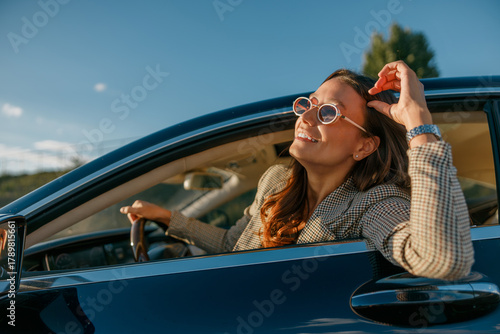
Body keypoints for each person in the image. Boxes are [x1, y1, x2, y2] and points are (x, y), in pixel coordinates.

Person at [120, 61, 474, 280]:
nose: (304, 118)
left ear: (364, 145)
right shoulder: (275, 181)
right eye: (309, 104)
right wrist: (167, 217)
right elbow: (233, 245)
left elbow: (444, 260)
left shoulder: (374, 204)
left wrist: (418, 122)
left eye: (328, 113)